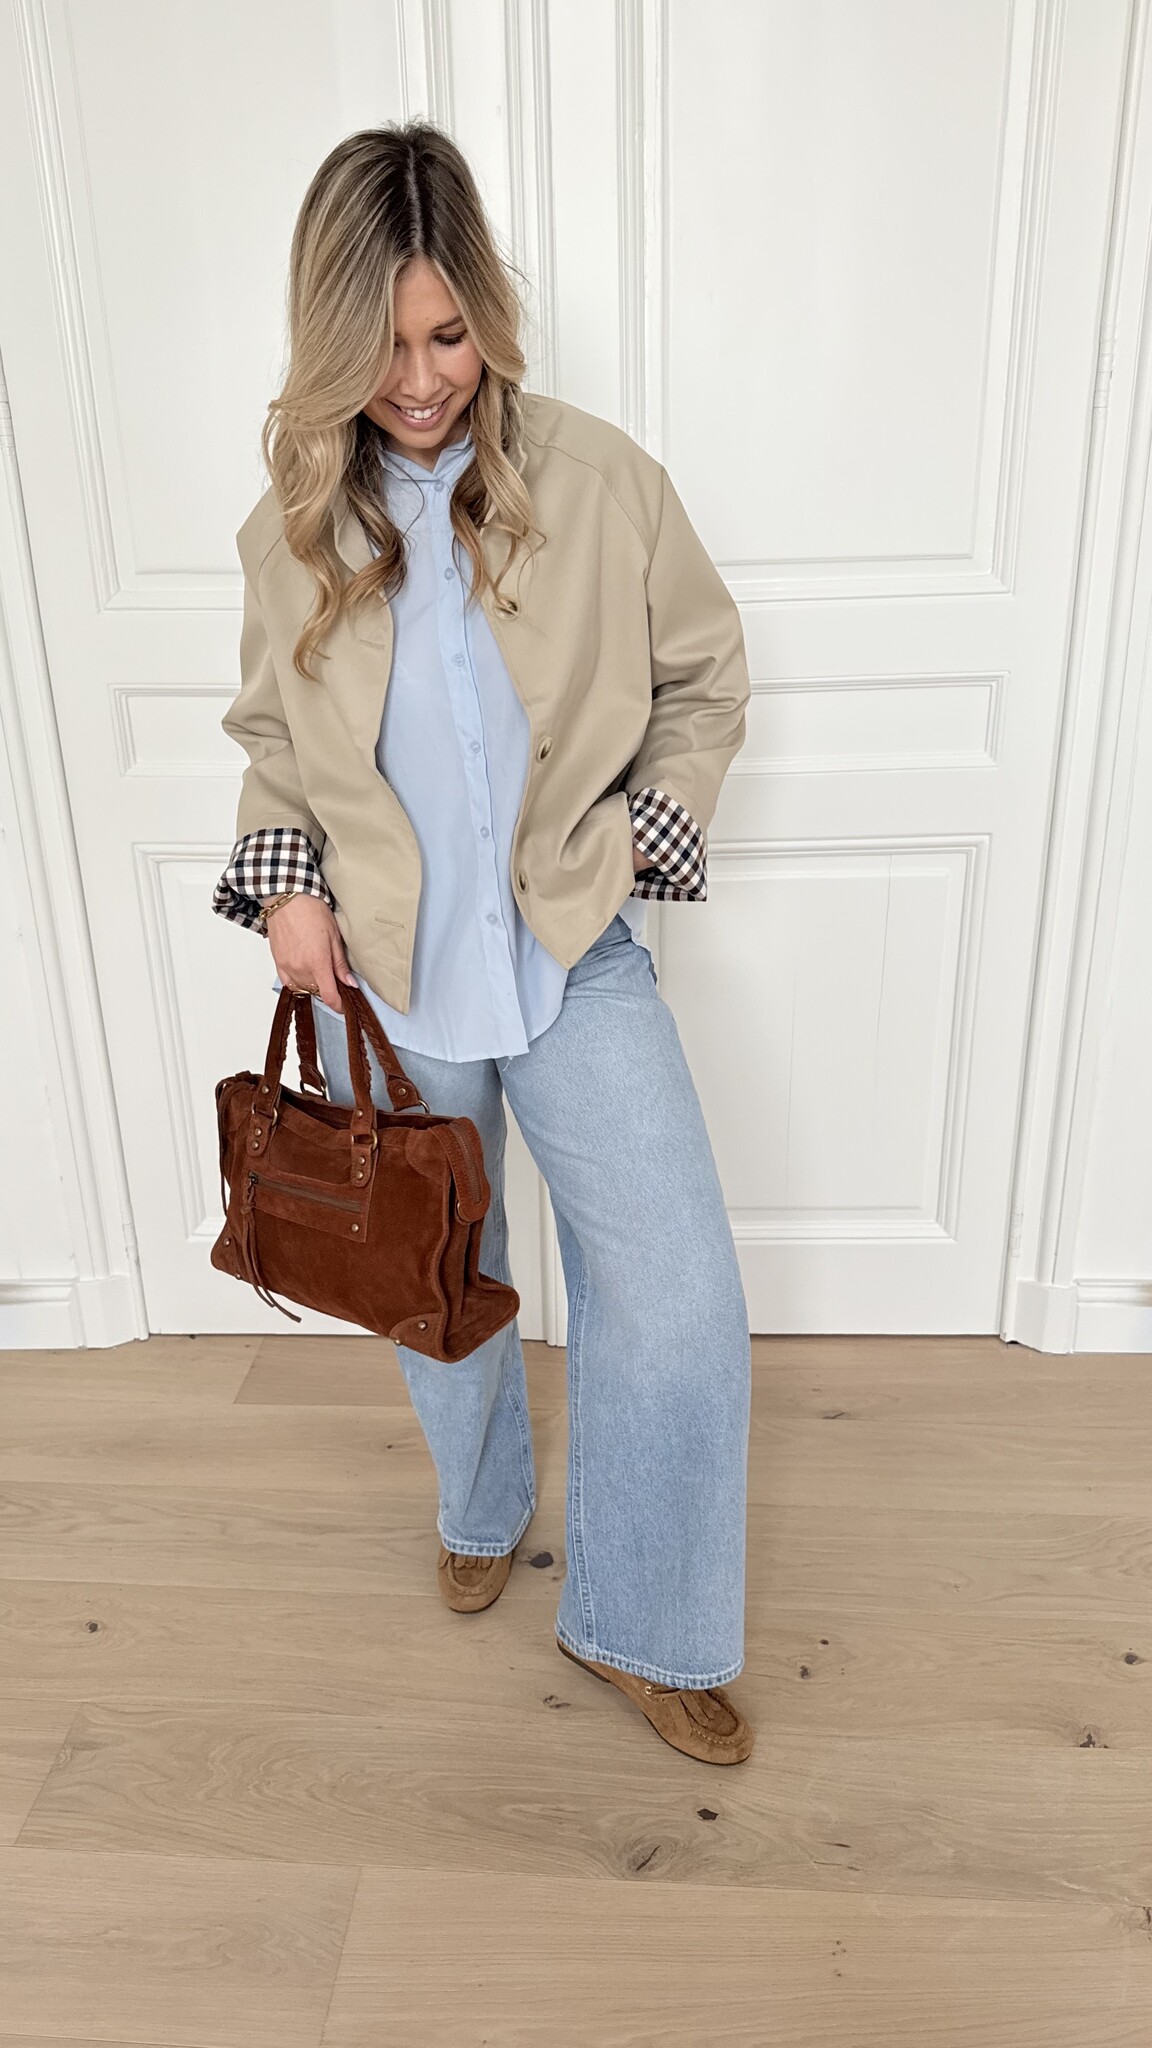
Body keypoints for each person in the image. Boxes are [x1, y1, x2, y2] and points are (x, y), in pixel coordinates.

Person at [212, 120, 754, 1765]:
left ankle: (647, 1622)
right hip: (386, 978)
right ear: (329, 344)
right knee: (435, 1279)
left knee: (676, 1299)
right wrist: (287, 890)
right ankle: (480, 1506)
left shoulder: (603, 482)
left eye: (448, 335)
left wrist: (644, 836)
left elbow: (703, 678)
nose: (422, 380)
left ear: (489, 318)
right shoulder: (292, 527)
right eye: (381, 347)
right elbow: (272, 737)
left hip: (573, 950)